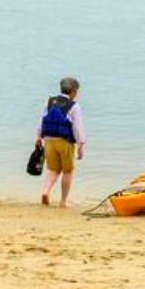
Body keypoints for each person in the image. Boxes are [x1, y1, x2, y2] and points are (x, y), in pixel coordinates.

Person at [35, 77, 86, 208]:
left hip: (49, 139)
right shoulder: (74, 106)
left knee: (53, 169)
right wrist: (81, 145)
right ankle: (63, 201)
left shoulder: (49, 101)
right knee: (67, 171)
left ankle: (45, 191)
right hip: (64, 141)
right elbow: (77, 127)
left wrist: (38, 137)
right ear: (74, 91)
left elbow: (41, 120)